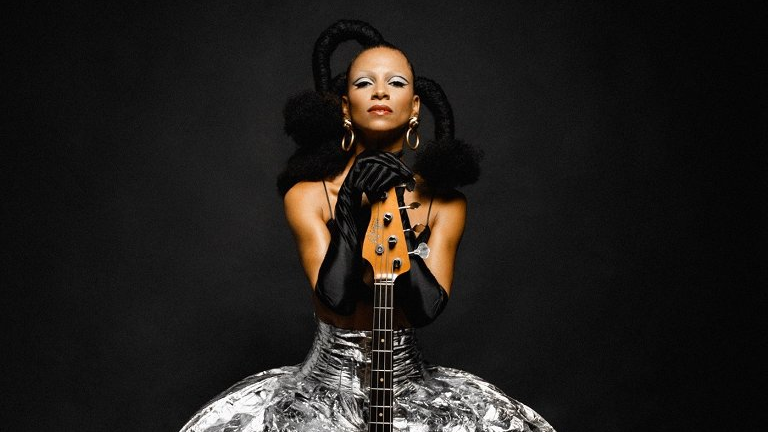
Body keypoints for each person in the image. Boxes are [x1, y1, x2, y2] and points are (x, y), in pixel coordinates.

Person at [179, 20, 556, 432]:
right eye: (363, 83)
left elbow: (424, 308)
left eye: (395, 82)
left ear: (415, 107)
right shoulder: (307, 195)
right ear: (344, 106)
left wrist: (393, 205)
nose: (379, 91)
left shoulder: (445, 204)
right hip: (321, 393)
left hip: (411, 389)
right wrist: (348, 206)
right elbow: (336, 299)